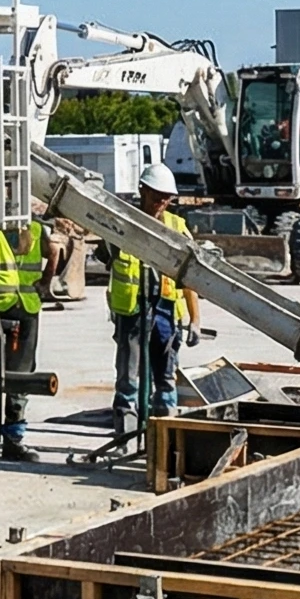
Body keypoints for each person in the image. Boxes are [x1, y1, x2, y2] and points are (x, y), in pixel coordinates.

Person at [106, 163, 198, 426]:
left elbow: (190, 278)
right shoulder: (123, 223)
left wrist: (195, 319)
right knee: (129, 376)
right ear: (142, 191)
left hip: (165, 311)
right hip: (132, 310)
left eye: (166, 198)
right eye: (157, 196)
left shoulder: (176, 226)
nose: (161, 203)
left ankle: (165, 432)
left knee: (167, 376)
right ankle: (127, 430)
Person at [0, 212, 48, 460]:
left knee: (19, 376)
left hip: (18, 306)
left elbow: (52, 254)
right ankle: (6, 438)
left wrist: (45, 283)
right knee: (2, 373)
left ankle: (11, 438)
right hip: (1, 306)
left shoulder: (34, 228)